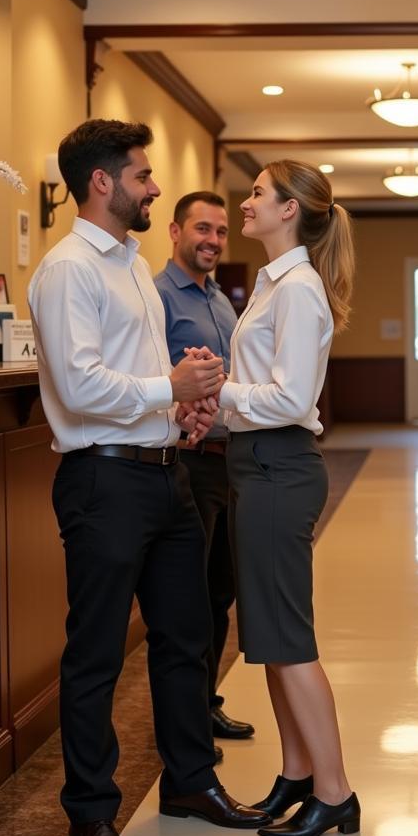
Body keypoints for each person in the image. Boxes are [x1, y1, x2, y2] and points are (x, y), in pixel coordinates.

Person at [28, 120, 270, 836]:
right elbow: (79, 385)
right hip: (102, 480)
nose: (154, 185)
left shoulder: (131, 264)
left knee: (187, 634)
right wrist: (168, 387)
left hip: (165, 473)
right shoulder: (68, 270)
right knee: (97, 652)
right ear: (102, 182)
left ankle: (191, 783)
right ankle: (91, 814)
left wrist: (182, 410)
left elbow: (135, 374)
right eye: (142, 174)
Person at [181, 160, 358, 836]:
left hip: (281, 468)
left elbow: (289, 398)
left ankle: (335, 790)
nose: (245, 202)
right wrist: (218, 395)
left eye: (257, 193)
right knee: (268, 638)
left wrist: (212, 390)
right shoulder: (270, 285)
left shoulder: (300, 290)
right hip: (256, 465)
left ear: (290, 210)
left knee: (290, 640)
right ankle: (298, 772)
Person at [153, 191, 255, 746]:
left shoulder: (221, 302)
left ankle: (206, 703)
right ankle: (185, 721)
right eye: (202, 229)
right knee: (187, 600)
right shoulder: (157, 297)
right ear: (174, 231)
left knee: (220, 594)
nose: (213, 240)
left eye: (220, 231)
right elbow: (151, 373)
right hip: (185, 463)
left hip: (225, 464)